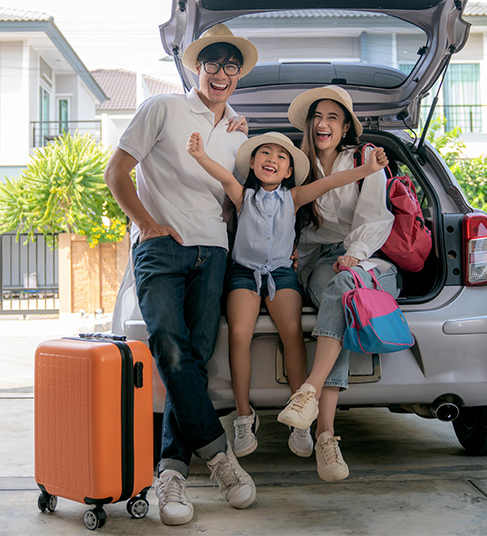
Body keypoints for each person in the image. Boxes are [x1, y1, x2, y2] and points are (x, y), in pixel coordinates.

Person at [103, 24, 258, 526]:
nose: (220, 73)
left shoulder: (239, 131)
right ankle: (220, 459)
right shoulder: (162, 109)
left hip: (212, 251)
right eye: (211, 63)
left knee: (192, 358)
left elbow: (239, 199)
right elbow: (116, 172)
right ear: (196, 68)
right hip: (161, 249)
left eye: (230, 65)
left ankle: (170, 472)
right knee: (169, 346)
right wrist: (146, 223)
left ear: (238, 74)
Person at [186, 130, 387, 459]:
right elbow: (223, 176)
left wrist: (367, 169)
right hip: (243, 272)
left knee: (291, 333)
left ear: (289, 172)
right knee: (239, 334)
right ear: (252, 163)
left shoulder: (293, 197)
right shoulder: (243, 196)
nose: (272, 160)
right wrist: (199, 155)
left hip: (281, 273)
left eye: (281, 157)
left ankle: (301, 420)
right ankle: (243, 415)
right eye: (265, 153)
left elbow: (332, 182)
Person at [276, 85, 398, 482]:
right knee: (342, 294)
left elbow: (376, 218)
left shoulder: (365, 160)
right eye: (317, 117)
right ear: (309, 126)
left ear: (346, 127)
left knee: (345, 287)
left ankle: (312, 404)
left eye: (332, 117)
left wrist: (356, 253)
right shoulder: (295, 164)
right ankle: (326, 439)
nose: (323, 124)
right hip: (317, 261)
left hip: (368, 258)